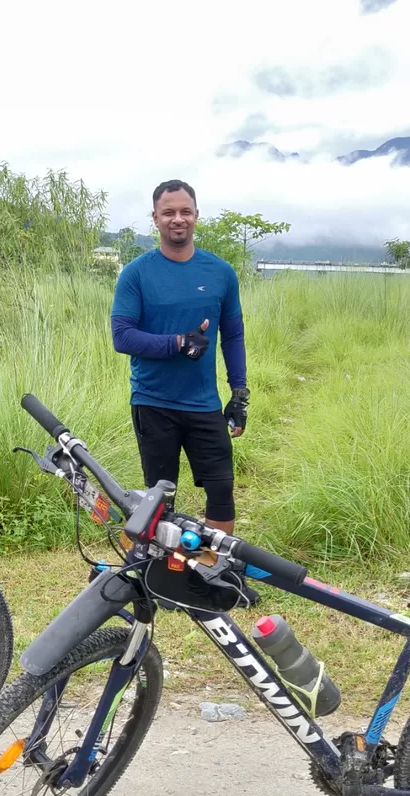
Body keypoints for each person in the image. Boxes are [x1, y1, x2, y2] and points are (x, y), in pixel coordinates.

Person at [110, 178, 255, 601]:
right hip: (153, 401)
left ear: (196, 216)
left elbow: (234, 335)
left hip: (204, 404)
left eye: (185, 211)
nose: (178, 218)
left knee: (221, 487)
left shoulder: (220, 273)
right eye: (168, 212)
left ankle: (213, 570)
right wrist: (177, 343)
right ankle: (157, 576)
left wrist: (239, 392)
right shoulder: (137, 274)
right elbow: (123, 337)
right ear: (155, 218)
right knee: (159, 494)